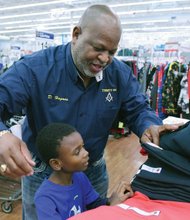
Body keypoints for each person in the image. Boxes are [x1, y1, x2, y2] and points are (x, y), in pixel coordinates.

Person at [0, 4, 179, 220]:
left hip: (92, 173)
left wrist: (149, 124)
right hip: (43, 176)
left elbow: (138, 108)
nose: (105, 59)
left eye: (112, 52)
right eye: (98, 48)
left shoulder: (118, 74)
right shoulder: (35, 69)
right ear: (76, 34)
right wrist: (2, 135)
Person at [34, 122, 133, 219]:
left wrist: (111, 200)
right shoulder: (45, 199)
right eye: (77, 152)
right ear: (56, 164)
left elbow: (94, 204)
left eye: (83, 147)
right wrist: (110, 208)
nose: (85, 153)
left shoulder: (79, 176)